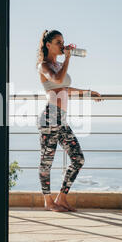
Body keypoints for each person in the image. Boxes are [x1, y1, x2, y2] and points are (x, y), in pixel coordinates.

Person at [36, 29, 103, 212]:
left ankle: (61, 197)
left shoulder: (58, 65)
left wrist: (88, 93)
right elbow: (58, 81)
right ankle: (48, 201)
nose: (62, 45)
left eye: (62, 42)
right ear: (48, 45)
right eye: (58, 42)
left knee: (78, 158)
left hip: (62, 120)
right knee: (46, 162)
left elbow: (66, 88)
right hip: (49, 118)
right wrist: (68, 59)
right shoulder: (44, 66)